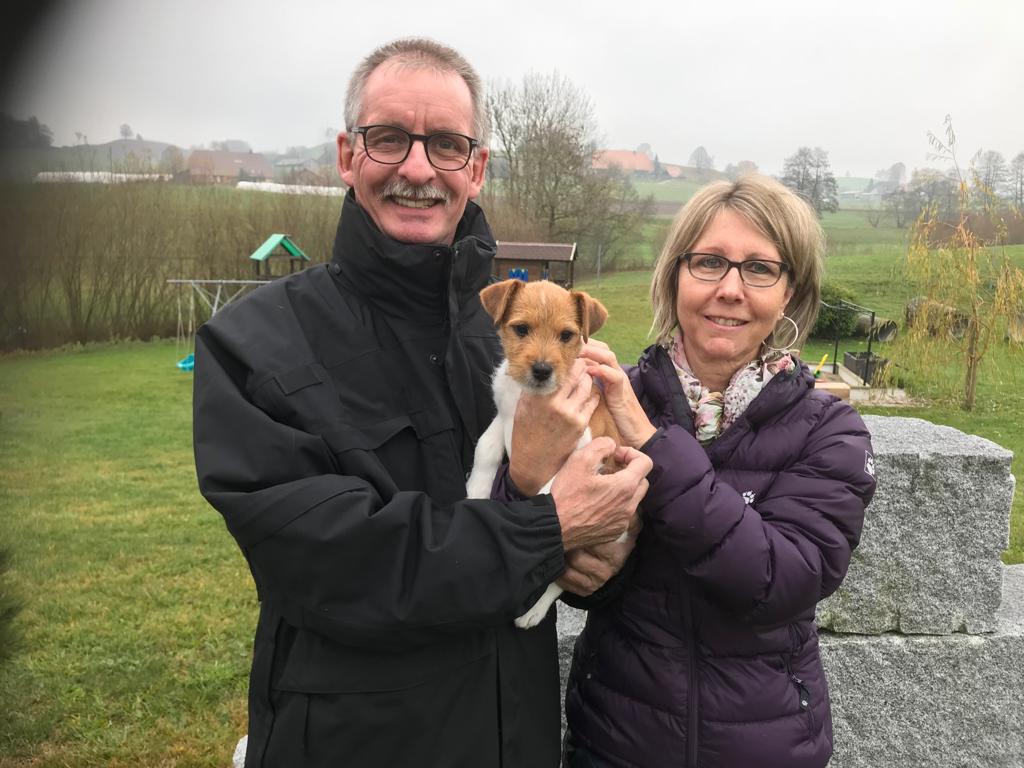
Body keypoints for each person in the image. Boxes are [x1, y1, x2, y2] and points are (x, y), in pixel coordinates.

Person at [192, 38, 651, 768]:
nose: (416, 168)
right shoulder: (255, 344)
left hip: (519, 739)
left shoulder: (508, 337)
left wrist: (601, 558)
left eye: (445, 144)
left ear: (476, 168)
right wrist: (548, 528)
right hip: (354, 746)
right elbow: (333, 568)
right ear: (348, 155)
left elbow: (579, 508)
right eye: (388, 138)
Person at [550, 175, 875, 768]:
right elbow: (531, 524)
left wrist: (651, 443)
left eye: (760, 269)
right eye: (708, 262)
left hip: (768, 747)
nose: (730, 289)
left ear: (790, 291)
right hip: (617, 739)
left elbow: (781, 579)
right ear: (675, 275)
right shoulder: (603, 393)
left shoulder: (829, 431)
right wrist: (576, 558)